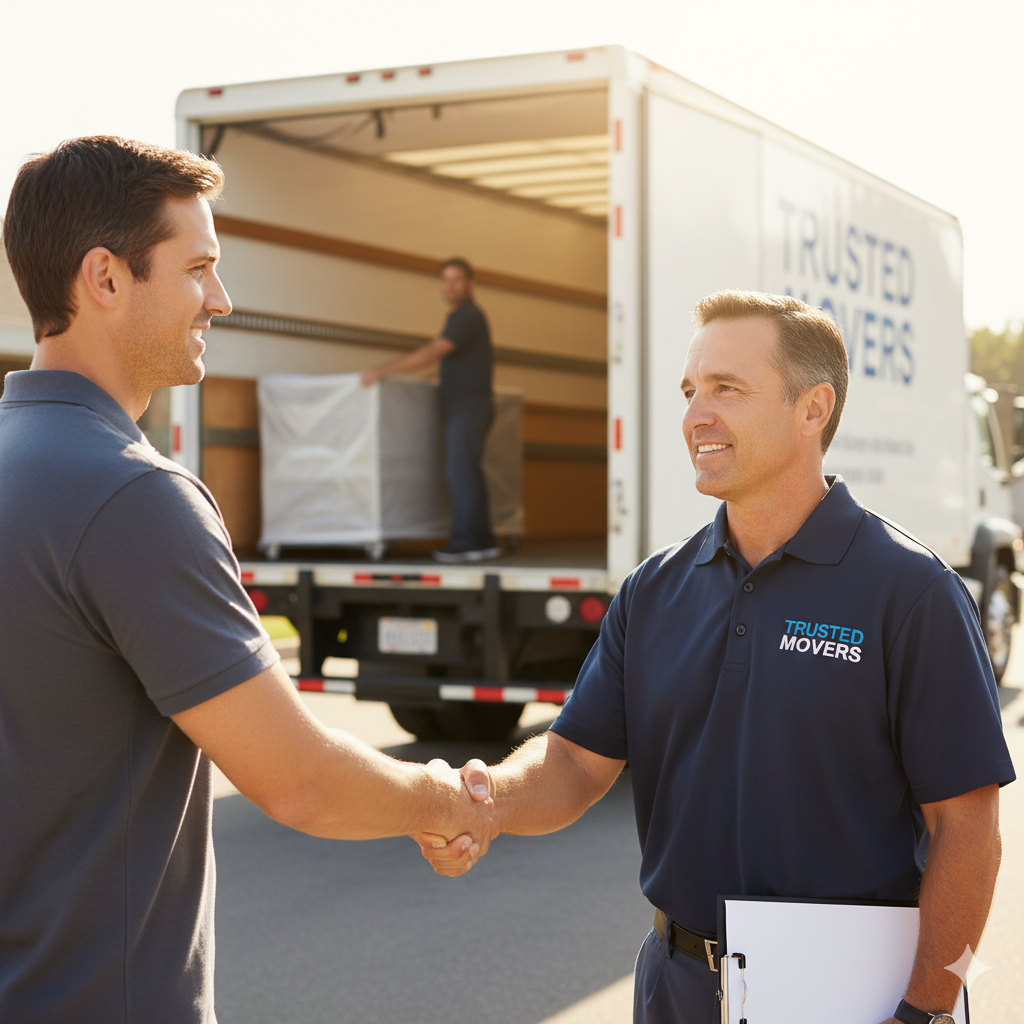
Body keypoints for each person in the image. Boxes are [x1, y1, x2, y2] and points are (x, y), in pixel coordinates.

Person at [0, 136, 497, 1024]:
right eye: (197, 268)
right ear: (105, 279)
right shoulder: (134, 497)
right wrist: (438, 798)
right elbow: (297, 777)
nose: (220, 299)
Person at [417, 291, 1015, 1024]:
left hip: (850, 994)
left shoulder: (911, 591)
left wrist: (922, 1011)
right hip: (678, 986)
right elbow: (575, 763)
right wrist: (490, 802)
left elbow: (969, 832)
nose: (697, 413)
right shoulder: (656, 588)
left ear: (812, 408)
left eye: (727, 388)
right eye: (691, 390)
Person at [361, 257, 499, 562]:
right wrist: (435, 378)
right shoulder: (461, 316)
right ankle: (482, 540)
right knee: (468, 473)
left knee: (461, 473)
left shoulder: (467, 316)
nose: (450, 286)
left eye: (457, 279)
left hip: (469, 408)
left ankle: (467, 543)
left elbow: (436, 350)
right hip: (467, 407)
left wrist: (384, 371)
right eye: (445, 280)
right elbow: (456, 362)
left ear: (470, 284)